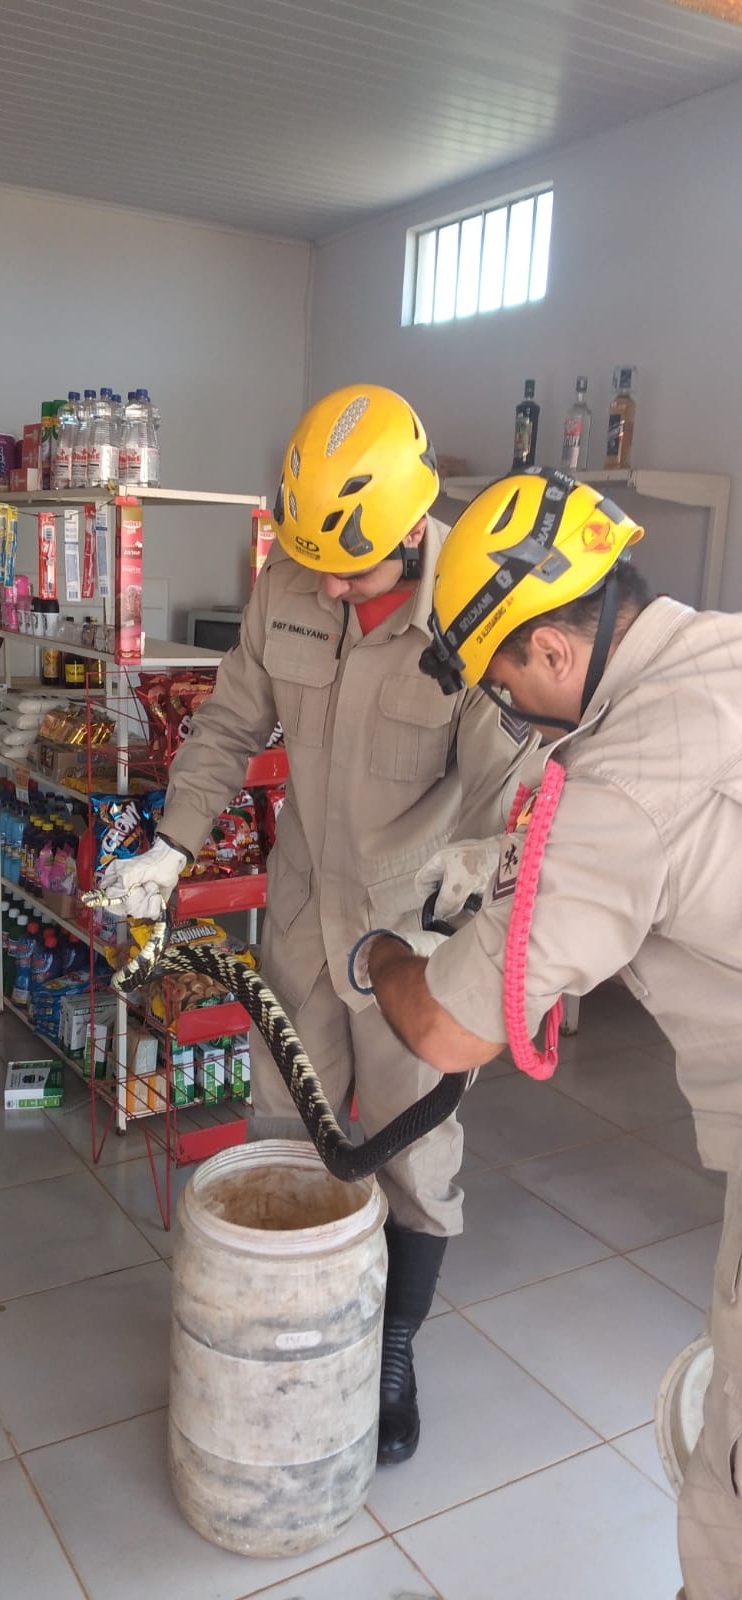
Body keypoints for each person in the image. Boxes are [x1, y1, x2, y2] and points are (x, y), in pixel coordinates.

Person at [101, 384, 533, 1466]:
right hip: (299, 906)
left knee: (414, 1148)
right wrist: (170, 844)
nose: (331, 585)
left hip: (411, 931)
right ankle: (290, 1318)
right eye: (315, 562)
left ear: (410, 527)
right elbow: (230, 720)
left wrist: (479, 931)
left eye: (354, 565)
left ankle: (393, 1347)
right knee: (283, 1120)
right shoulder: (292, 578)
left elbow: (508, 798)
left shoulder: (475, 614)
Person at [350, 465, 742, 1596]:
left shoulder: (616, 791)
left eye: (506, 682)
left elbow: (451, 1030)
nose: (511, 710)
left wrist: (377, 954)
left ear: (557, 652)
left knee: (729, 1474)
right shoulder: (717, 649)